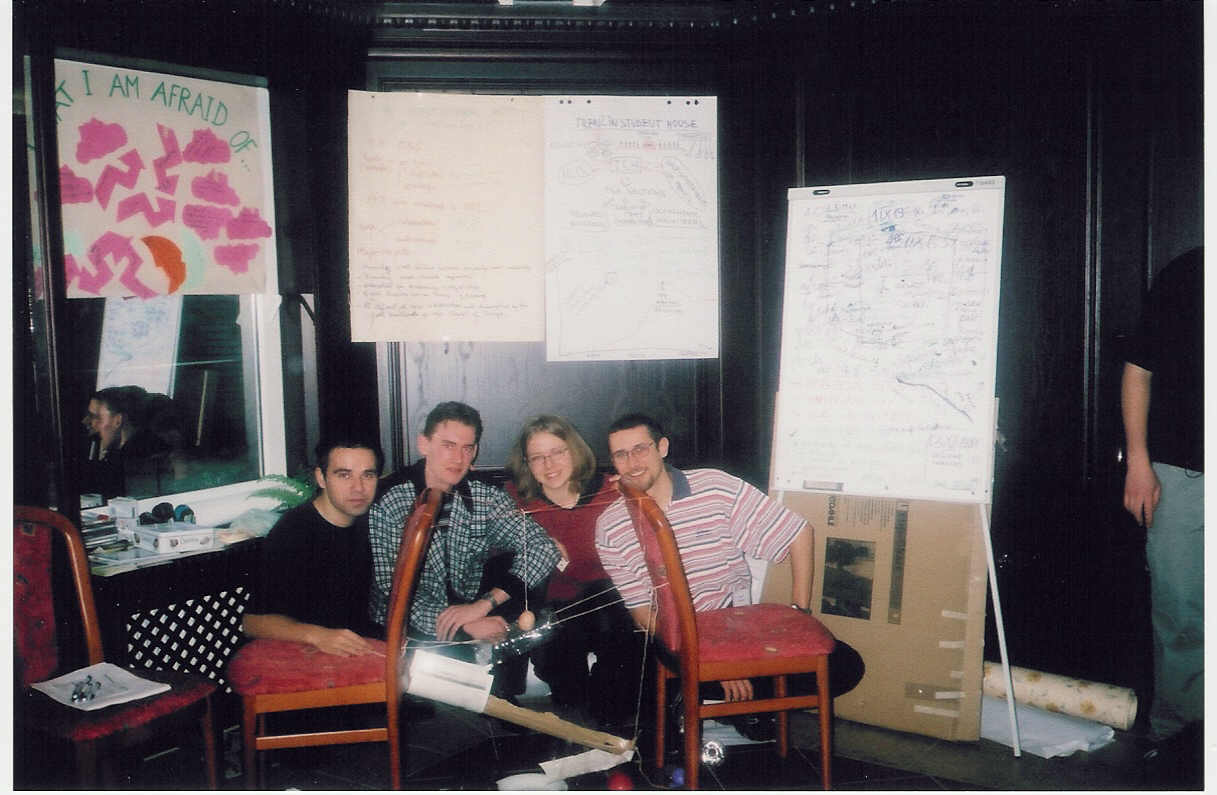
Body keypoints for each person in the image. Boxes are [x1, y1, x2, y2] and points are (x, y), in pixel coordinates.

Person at [594, 413, 863, 737]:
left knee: (845, 666)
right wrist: (710, 658)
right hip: (674, 636)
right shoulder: (609, 527)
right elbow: (642, 614)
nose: (632, 463)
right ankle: (726, 698)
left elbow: (798, 532)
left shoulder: (714, 487)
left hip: (735, 626)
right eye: (621, 455)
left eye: (641, 449)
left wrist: (799, 613)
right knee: (614, 691)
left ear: (662, 448)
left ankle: (718, 698)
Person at [368, 401, 561, 698]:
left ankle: (503, 698)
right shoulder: (392, 499)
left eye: (467, 448)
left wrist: (483, 605)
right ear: (424, 444)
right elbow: (390, 591)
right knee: (450, 711)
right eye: (448, 445)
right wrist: (465, 627)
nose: (459, 458)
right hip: (411, 626)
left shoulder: (483, 495)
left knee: (522, 577)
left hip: (471, 609)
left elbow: (543, 547)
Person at [505, 414, 643, 727]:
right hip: (554, 613)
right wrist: (538, 540)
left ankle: (610, 717)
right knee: (566, 683)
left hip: (610, 609)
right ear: (526, 463)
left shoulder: (611, 491)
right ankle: (581, 723)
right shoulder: (515, 501)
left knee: (613, 622)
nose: (549, 464)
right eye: (537, 457)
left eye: (558, 452)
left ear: (574, 451)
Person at [1120, 247, 1203, 748]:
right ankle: (1178, 741)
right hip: (1185, 475)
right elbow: (1139, 370)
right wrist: (1138, 462)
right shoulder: (1189, 274)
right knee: (1181, 615)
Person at [242, 435, 383, 655]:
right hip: (304, 654)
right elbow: (253, 622)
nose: (358, 488)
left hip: (360, 647)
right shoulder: (295, 532)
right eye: (344, 475)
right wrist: (318, 635)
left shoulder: (372, 520)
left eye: (368, 475)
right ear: (321, 478)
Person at [80, 385, 171, 498]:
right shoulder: (157, 449)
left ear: (118, 421)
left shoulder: (127, 466)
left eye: (95, 416)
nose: (85, 421)